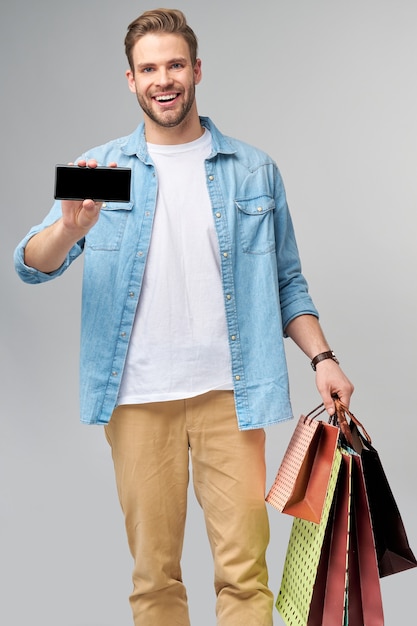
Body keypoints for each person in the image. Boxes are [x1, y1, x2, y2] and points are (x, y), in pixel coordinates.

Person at [14, 8, 353, 626]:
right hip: (138, 398)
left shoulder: (252, 169)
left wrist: (323, 359)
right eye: (149, 68)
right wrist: (68, 229)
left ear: (196, 70)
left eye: (174, 64)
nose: (163, 79)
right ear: (130, 80)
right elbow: (31, 263)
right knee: (154, 578)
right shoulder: (104, 170)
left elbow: (288, 282)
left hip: (233, 396)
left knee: (246, 575)